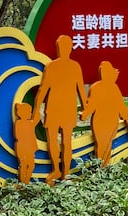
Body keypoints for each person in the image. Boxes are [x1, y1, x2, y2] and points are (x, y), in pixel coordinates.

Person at [32, 35, 87, 185]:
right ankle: (58, 170)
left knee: (64, 141)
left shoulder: (71, 66)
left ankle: (64, 172)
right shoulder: (54, 66)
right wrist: (36, 110)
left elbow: (81, 90)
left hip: (63, 108)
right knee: (57, 141)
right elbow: (43, 90)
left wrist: (85, 109)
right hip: (56, 108)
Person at [81, 61, 128, 166]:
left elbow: (91, 105)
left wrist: (85, 114)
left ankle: (103, 165)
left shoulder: (102, 87)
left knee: (103, 144)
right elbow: (121, 106)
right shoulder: (107, 87)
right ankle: (103, 165)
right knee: (105, 144)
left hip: (104, 121)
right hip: (107, 120)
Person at [13, 102, 37, 184]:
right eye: (29, 112)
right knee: (23, 164)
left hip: (29, 148)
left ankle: (26, 180)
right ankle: (23, 181)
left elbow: (32, 136)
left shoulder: (30, 123)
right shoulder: (19, 123)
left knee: (31, 165)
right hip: (23, 147)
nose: (31, 114)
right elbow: (18, 136)